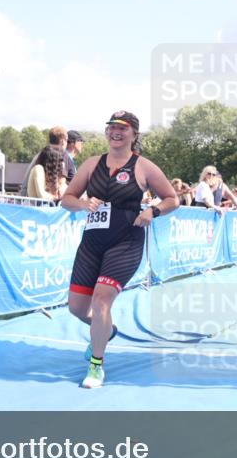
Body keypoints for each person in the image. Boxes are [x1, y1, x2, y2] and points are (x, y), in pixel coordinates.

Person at [61, 110, 177, 389]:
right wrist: (81, 204)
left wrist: (153, 211)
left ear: (134, 135)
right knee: (77, 308)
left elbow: (172, 198)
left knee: (102, 299)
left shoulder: (144, 167)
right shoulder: (91, 164)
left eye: (123, 128)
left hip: (127, 242)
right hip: (92, 244)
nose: (116, 132)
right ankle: (106, 330)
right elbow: (66, 198)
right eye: (112, 127)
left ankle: (96, 365)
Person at [21, 126, 69, 193]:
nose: (67, 144)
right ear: (62, 141)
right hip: (39, 199)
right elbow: (61, 182)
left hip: (26, 195)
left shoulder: (43, 153)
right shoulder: (61, 154)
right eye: (67, 140)